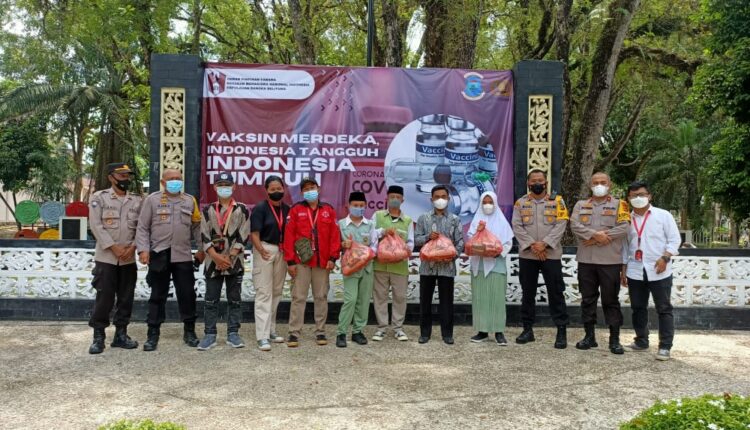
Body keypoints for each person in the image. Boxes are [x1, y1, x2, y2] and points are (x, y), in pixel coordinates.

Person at [136, 169, 205, 351]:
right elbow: (142, 227)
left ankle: (189, 331)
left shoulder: (189, 200)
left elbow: (197, 227)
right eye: (171, 179)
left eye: (178, 178)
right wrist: (143, 250)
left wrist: (201, 248)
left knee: (187, 294)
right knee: (157, 295)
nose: (175, 181)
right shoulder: (152, 200)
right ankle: (153, 333)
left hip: (183, 254)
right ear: (162, 182)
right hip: (159, 253)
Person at [570, 172, 630, 354]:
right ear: (590, 185)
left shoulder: (620, 204)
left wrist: (600, 237)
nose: (599, 185)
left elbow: (625, 227)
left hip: (610, 261)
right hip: (586, 261)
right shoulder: (581, 205)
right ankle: (589, 337)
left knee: (610, 300)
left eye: (603, 182)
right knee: (587, 299)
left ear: (609, 185)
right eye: (595, 182)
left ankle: (614, 339)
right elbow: (574, 225)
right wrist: (596, 235)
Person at [621, 181, 681, 361]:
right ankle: (641, 341)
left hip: (659, 269)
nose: (638, 198)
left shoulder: (663, 215)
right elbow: (625, 246)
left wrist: (665, 258)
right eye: (634, 195)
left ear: (649, 196)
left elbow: (674, 240)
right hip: (635, 270)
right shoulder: (626, 219)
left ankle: (665, 346)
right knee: (638, 308)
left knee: (664, 308)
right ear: (628, 198)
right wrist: (623, 269)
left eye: (642, 194)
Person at [86, 163, 142, 354]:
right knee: (105, 297)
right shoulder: (99, 198)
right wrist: (114, 247)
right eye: (122, 175)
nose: (126, 178)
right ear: (111, 177)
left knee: (126, 298)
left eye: (128, 175)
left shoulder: (137, 200)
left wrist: (133, 247)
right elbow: (96, 226)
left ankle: (121, 335)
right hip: (107, 258)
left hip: (128, 257)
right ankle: (98, 337)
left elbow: (142, 227)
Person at [511, 169, 570, 349]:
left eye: (540, 180)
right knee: (528, 293)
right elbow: (517, 225)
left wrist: (544, 244)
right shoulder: (520, 203)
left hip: (550, 254)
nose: (537, 183)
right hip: (528, 255)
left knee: (556, 292)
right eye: (534, 181)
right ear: (528, 184)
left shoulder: (557, 201)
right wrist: (533, 246)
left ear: (546, 183)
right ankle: (527, 330)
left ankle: (561, 331)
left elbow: (561, 224)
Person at [283, 177, 341, 347]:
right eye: (306, 189)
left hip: (322, 262)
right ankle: (294, 333)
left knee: (321, 297)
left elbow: (334, 236)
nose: (310, 191)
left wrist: (333, 258)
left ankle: (320, 331)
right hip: (301, 261)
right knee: (298, 297)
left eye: (312, 187)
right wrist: (290, 261)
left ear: (318, 188)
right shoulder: (296, 210)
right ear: (302, 192)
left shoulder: (328, 210)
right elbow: (289, 236)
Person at [196, 172, 251, 351]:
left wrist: (230, 256)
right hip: (213, 262)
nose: (224, 188)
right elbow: (204, 236)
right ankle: (210, 335)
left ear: (234, 187)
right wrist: (217, 257)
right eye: (220, 185)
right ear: (215, 187)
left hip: (235, 262)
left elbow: (244, 234)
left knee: (234, 300)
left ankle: (233, 333)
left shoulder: (242, 209)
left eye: (227, 185)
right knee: (211, 300)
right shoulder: (207, 210)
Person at [415, 185, 464, 345]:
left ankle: (447, 334)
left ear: (448, 199)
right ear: (431, 199)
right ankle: (424, 333)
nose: (440, 199)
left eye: (443, 196)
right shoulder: (423, 218)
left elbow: (460, 242)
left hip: (447, 268)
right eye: (437, 197)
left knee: (447, 303)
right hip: (427, 267)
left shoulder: (455, 219)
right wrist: (428, 237)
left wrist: (452, 256)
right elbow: (417, 240)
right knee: (425, 302)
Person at [467, 191, 514, 346]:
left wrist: (497, 252)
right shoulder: (476, 221)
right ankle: (482, 331)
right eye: (484, 202)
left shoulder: (501, 221)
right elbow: (470, 241)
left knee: (496, 299)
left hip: (496, 264)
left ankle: (499, 332)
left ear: (495, 203)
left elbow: (508, 242)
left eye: (490, 202)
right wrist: (479, 232)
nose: (487, 205)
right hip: (478, 265)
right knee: (480, 299)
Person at [250, 175, 290, 351]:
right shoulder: (260, 208)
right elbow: (254, 234)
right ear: (266, 191)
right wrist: (260, 249)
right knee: (264, 293)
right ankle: (262, 336)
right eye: (272, 189)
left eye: (279, 188)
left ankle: (271, 330)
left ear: (284, 189)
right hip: (265, 250)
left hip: (281, 251)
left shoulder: (287, 209)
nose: (276, 192)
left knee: (276, 292)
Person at [371, 185, 414, 342]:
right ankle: (381, 328)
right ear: (386, 199)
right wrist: (383, 232)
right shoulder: (377, 216)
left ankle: (398, 328)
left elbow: (411, 243)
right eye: (392, 197)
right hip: (380, 265)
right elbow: (371, 235)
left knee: (400, 297)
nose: (395, 199)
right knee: (380, 296)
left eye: (398, 197)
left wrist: (403, 251)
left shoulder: (408, 220)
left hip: (400, 266)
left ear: (403, 200)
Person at [335, 191, 379, 348]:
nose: (358, 208)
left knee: (363, 300)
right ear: (348, 205)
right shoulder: (341, 224)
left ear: (365, 206)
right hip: (351, 269)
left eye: (361, 205)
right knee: (350, 299)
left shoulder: (370, 224)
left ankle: (357, 331)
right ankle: (341, 332)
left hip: (367, 268)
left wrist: (366, 253)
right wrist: (342, 245)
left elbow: (374, 245)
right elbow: (335, 245)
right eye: (355, 205)